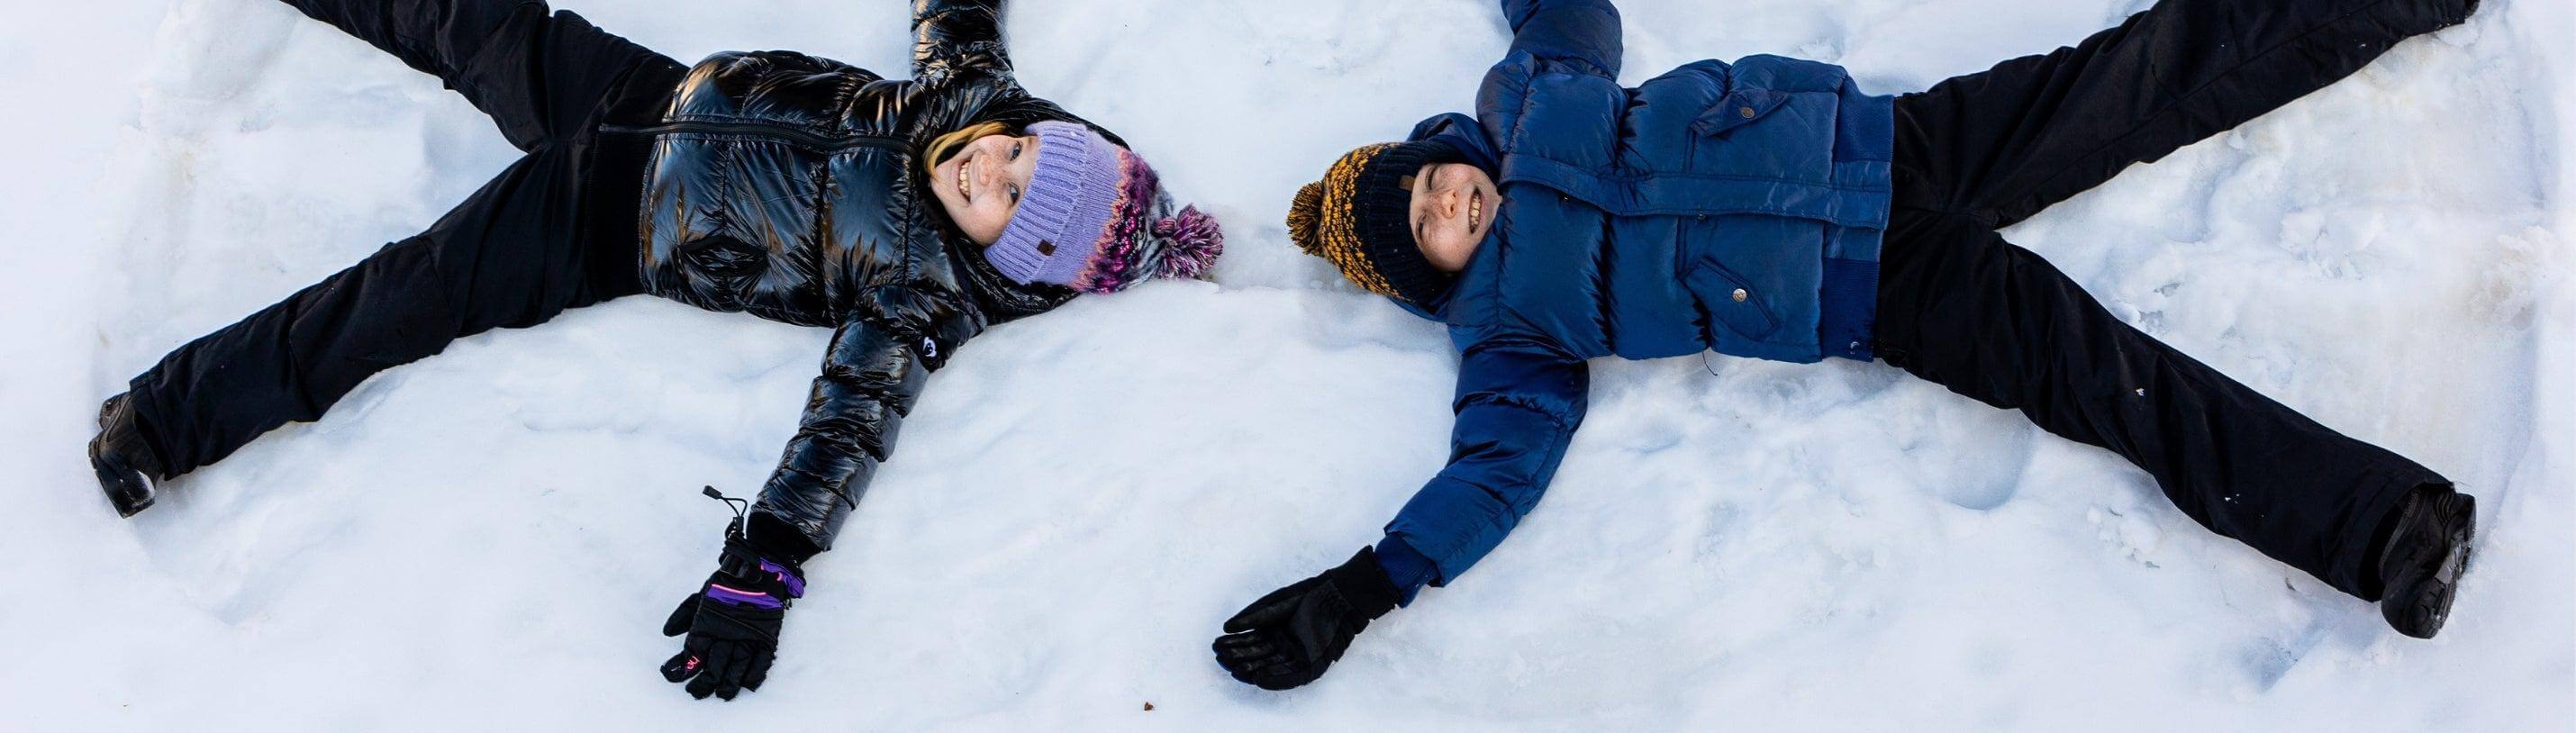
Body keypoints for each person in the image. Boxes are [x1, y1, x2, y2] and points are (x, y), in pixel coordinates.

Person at [1217, 0, 2479, 691]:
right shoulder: (1507, 331)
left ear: (1436, 150)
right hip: (1878, 288)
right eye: (1424, 231)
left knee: (2132, 77)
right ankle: (2383, 530)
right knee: (2104, 378)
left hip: (1889, 145)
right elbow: (1497, 464)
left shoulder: (1527, 95)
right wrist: (1372, 580)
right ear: (1426, 276)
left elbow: (1566, 9)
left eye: (1425, 184)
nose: (1445, 206)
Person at [85, 0, 1221, 701]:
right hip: (644, 91)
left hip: (604, 225)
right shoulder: (972, 103)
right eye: (1018, 156)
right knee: (465, 18)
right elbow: (957, 11)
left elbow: (848, 423)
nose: (990, 172)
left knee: (406, 294)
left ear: (1007, 257)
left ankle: (167, 421)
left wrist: (765, 563)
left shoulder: (923, 293)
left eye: (1008, 203)